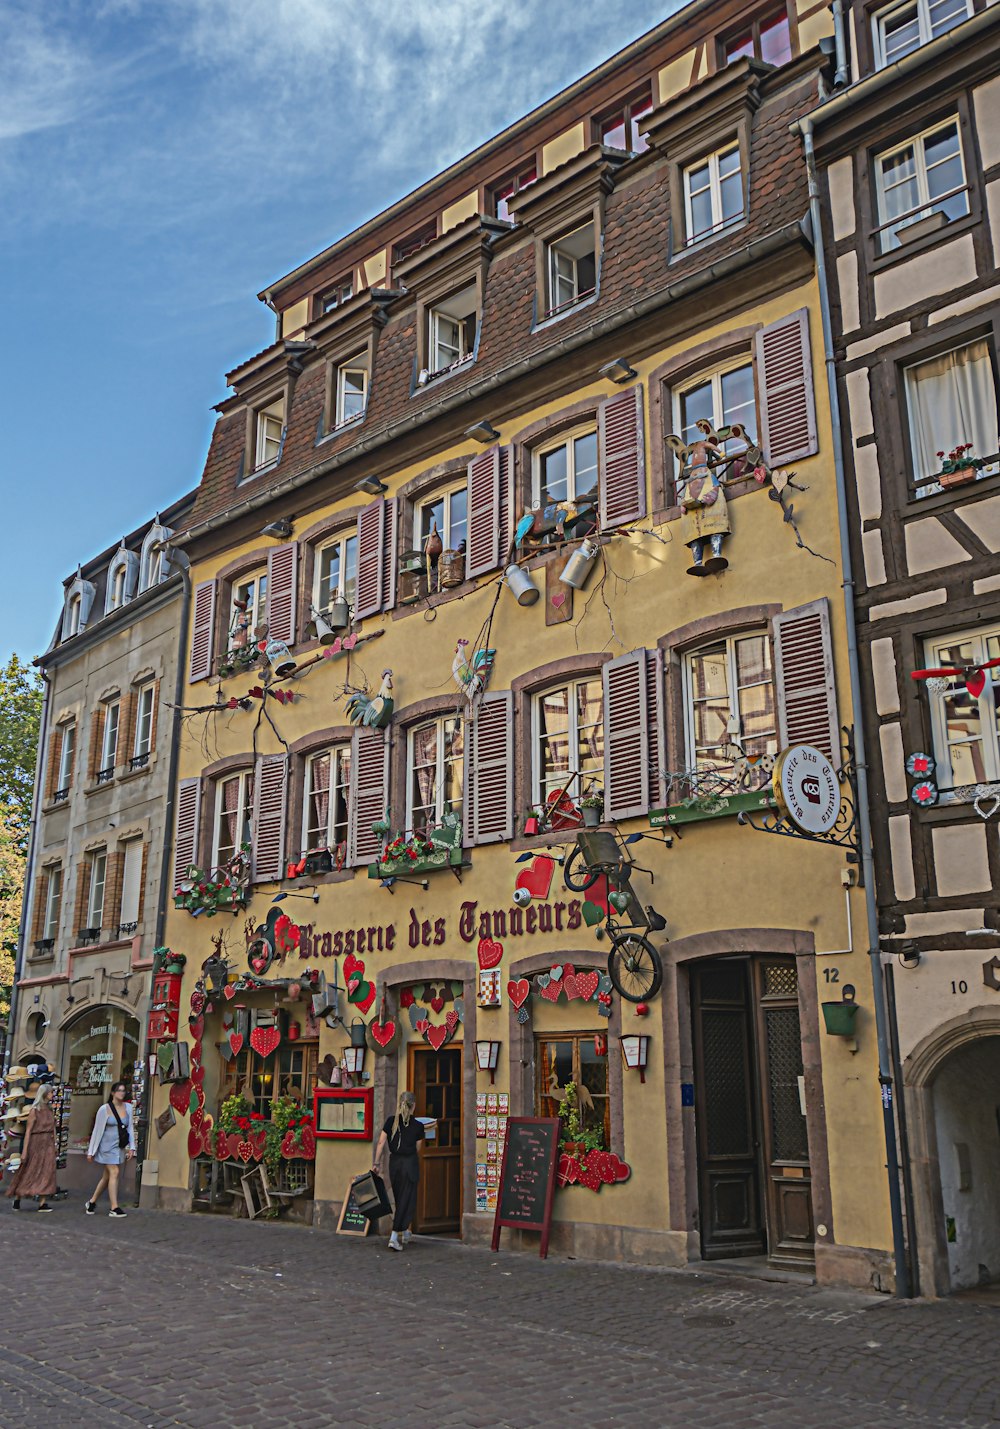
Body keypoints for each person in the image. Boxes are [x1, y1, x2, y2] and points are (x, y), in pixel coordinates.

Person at [372, 1090, 425, 1251]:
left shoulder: (390, 1122)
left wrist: (376, 1163)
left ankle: (406, 1231)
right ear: (413, 1105)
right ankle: (394, 1236)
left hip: (394, 1164)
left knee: (401, 1199)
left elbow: (381, 1143)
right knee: (406, 1200)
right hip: (409, 1164)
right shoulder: (418, 1126)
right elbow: (418, 1147)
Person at [85, 1080, 136, 1218]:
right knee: (114, 1172)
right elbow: (97, 1130)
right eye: (119, 1090)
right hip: (106, 1147)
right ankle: (114, 1207)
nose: (122, 1093)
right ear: (113, 1093)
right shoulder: (104, 1109)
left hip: (118, 1146)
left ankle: (91, 1202)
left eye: (123, 1090)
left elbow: (130, 1128)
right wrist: (91, 1151)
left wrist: (132, 1147)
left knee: (106, 1177)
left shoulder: (129, 1108)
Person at [5, 1084, 57, 1212]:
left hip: (48, 1143)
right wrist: (25, 1151)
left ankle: (42, 1203)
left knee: (48, 1171)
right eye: (50, 1093)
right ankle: (18, 1198)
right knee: (30, 1169)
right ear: (45, 1094)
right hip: (36, 1142)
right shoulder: (35, 1110)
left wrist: (55, 1143)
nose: (52, 1095)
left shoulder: (50, 1110)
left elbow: (53, 1128)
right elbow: (28, 1131)